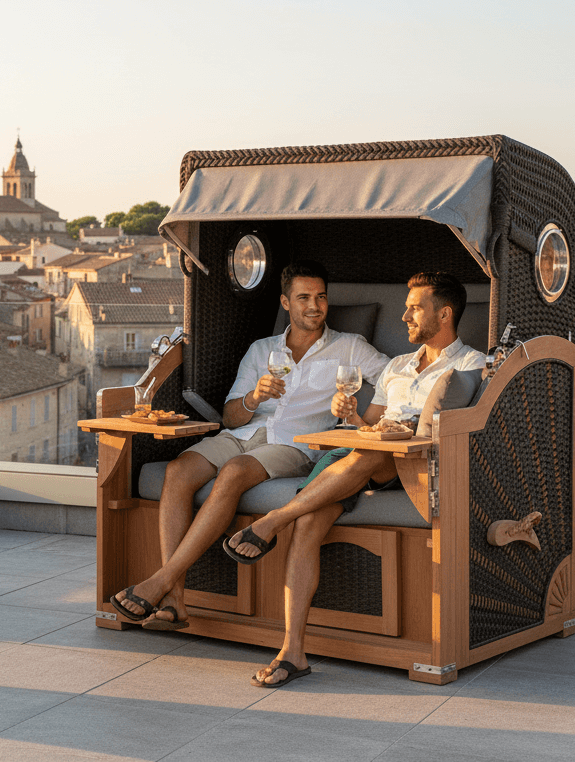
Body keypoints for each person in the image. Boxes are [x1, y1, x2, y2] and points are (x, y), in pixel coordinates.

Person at [225, 271, 486, 688]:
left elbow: (472, 430)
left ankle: (273, 520)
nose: (405, 317)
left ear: (444, 314)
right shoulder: (398, 365)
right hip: (366, 454)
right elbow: (371, 425)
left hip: (412, 463)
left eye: (415, 309)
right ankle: (292, 651)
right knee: (309, 520)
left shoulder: (473, 364)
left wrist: (401, 434)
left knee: (369, 451)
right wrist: (351, 416)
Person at [111, 260, 389, 630]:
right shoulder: (262, 350)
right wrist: (254, 398)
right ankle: (174, 600)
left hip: (295, 445)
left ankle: (161, 581)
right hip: (243, 434)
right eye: (304, 297)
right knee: (178, 471)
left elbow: (395, 375)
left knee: (234, 471)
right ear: (285, 302)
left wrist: (365, 420)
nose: (315, 305)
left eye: (321, 297)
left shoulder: (349, 347)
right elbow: (230, 417)